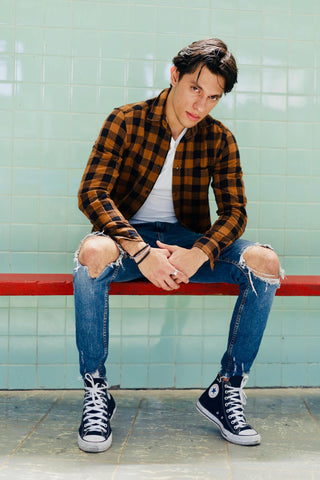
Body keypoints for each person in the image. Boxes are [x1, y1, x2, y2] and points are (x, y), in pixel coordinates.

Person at [73, 38, 282, 453]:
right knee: (92, 254)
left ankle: (227, 388)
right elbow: (93, 193)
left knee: (265, 262)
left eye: (213, 97)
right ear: (174, 77)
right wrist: (142, 252)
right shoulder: (126, 121)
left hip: (187, 241)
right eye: (194, 89)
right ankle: (96, 391)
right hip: (128, 238)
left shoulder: (219, 139)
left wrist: (197, 254)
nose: (201, 105)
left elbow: (235, 213)